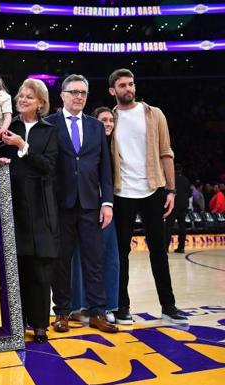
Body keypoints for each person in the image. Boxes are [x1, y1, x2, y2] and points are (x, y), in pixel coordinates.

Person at [108, 68, 188, 324]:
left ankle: (169, 305)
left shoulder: (155, 114)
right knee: (121, 253)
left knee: (159, 251)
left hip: (153, 189)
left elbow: (166, 152)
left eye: (131, 84)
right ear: (113, 90)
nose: (128, 89)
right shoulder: (108, 119)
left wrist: (171, 189)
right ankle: (122, 306)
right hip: (122, 192)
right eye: (122, 85)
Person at [0, 78, 58, 343]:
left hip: (40, 206)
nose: (23, 99)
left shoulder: (49, 130)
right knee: (14, 267)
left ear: (41, 102)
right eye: (21, 95)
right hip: (12, 203)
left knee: (39, 270)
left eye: (29, 96)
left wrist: (22, 147)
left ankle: (40, 324)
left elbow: (48, 166)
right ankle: (17, 322)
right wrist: (0, 160)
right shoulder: (9, 127)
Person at [48, 74, 118, 334]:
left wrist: (107, 202)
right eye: (74, 92)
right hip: (61, 204)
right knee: (62, 261)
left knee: (94, 260)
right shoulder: (49, 124)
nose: (79, 96)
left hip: (91, 203)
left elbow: (105, 169)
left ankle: (98, 312)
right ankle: (63, 312)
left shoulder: (96, 127)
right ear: (63, 95)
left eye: (83, 93)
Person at [69, 107, 120, 324]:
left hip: (104, 205)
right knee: (78, 256)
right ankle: (78, 306)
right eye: (103, 120)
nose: (107, 124)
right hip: (83, 203)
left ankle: (108, 306)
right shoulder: (87, 140)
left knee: (107, 256)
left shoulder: (116, 146)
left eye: (111, 120)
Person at [164, 164, 192, 253]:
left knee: (169, 226)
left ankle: (165, 247)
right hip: (183, 205)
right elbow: (189, 193)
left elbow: (166, 191)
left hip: (173, 204)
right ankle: (181, 247)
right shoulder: (185, 179)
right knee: (182, 226)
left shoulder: (171, 178)